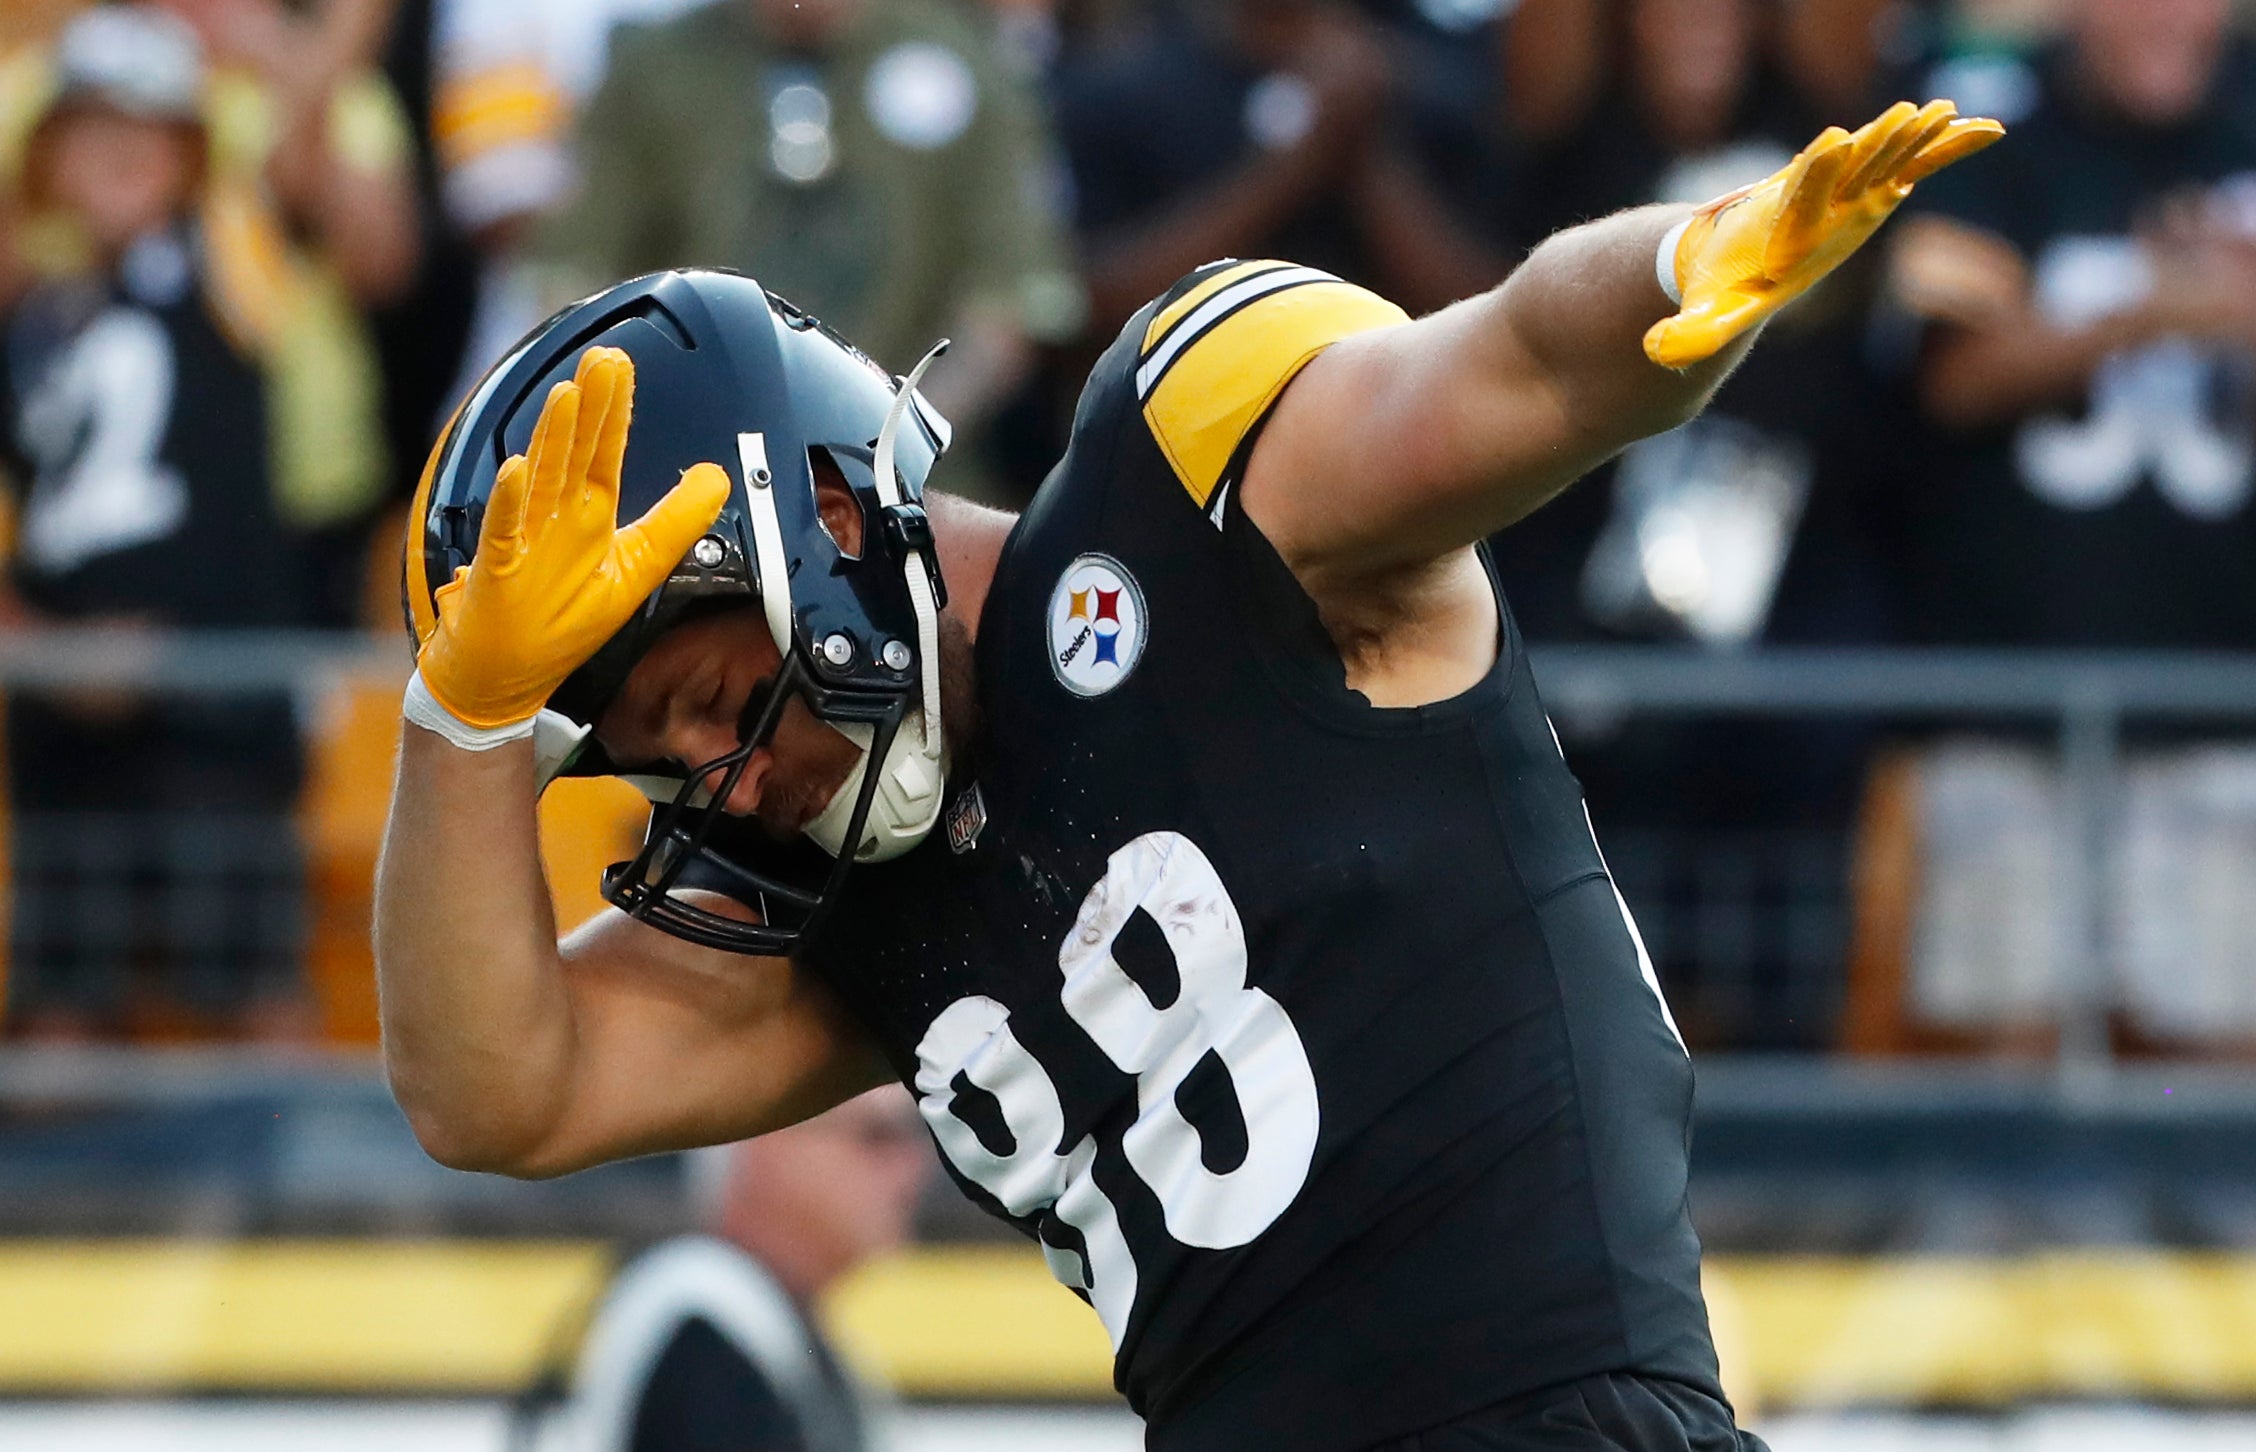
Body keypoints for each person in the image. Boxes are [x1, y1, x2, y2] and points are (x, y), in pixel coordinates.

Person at [377, 99, 1999, 1449]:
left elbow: (1513, 370)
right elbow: (493, 1089)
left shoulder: (1189, 499)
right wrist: (460, 723)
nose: (720, 789)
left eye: (714, 699)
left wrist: (1672, 271)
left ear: (829, 529)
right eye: (664, 762)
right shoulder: (841, 911)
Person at [0, 6, 335, 1037]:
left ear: (193, 152)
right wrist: (45, 647)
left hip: (215, 704)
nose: (119, 150)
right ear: (48, 155)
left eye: (148, 127)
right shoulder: (34, 318)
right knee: (59, 1012)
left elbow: (301, 145)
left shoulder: (236, 265)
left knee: (257, 992)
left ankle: (309, 1200)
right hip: (65, 719)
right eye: (90, 127)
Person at [534, 0, 1084, 504]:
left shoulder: (964, 59)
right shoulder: (653, 67)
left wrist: (879, 449)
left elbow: (1008, 308)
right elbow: (571, 285)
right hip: (689, 484)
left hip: (915, 489)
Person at [562, 1088, 933, 1452]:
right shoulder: (703, 1319)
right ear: (766, 1137)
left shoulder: (765, 1319)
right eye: (877, 1135)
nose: (913, 1166)